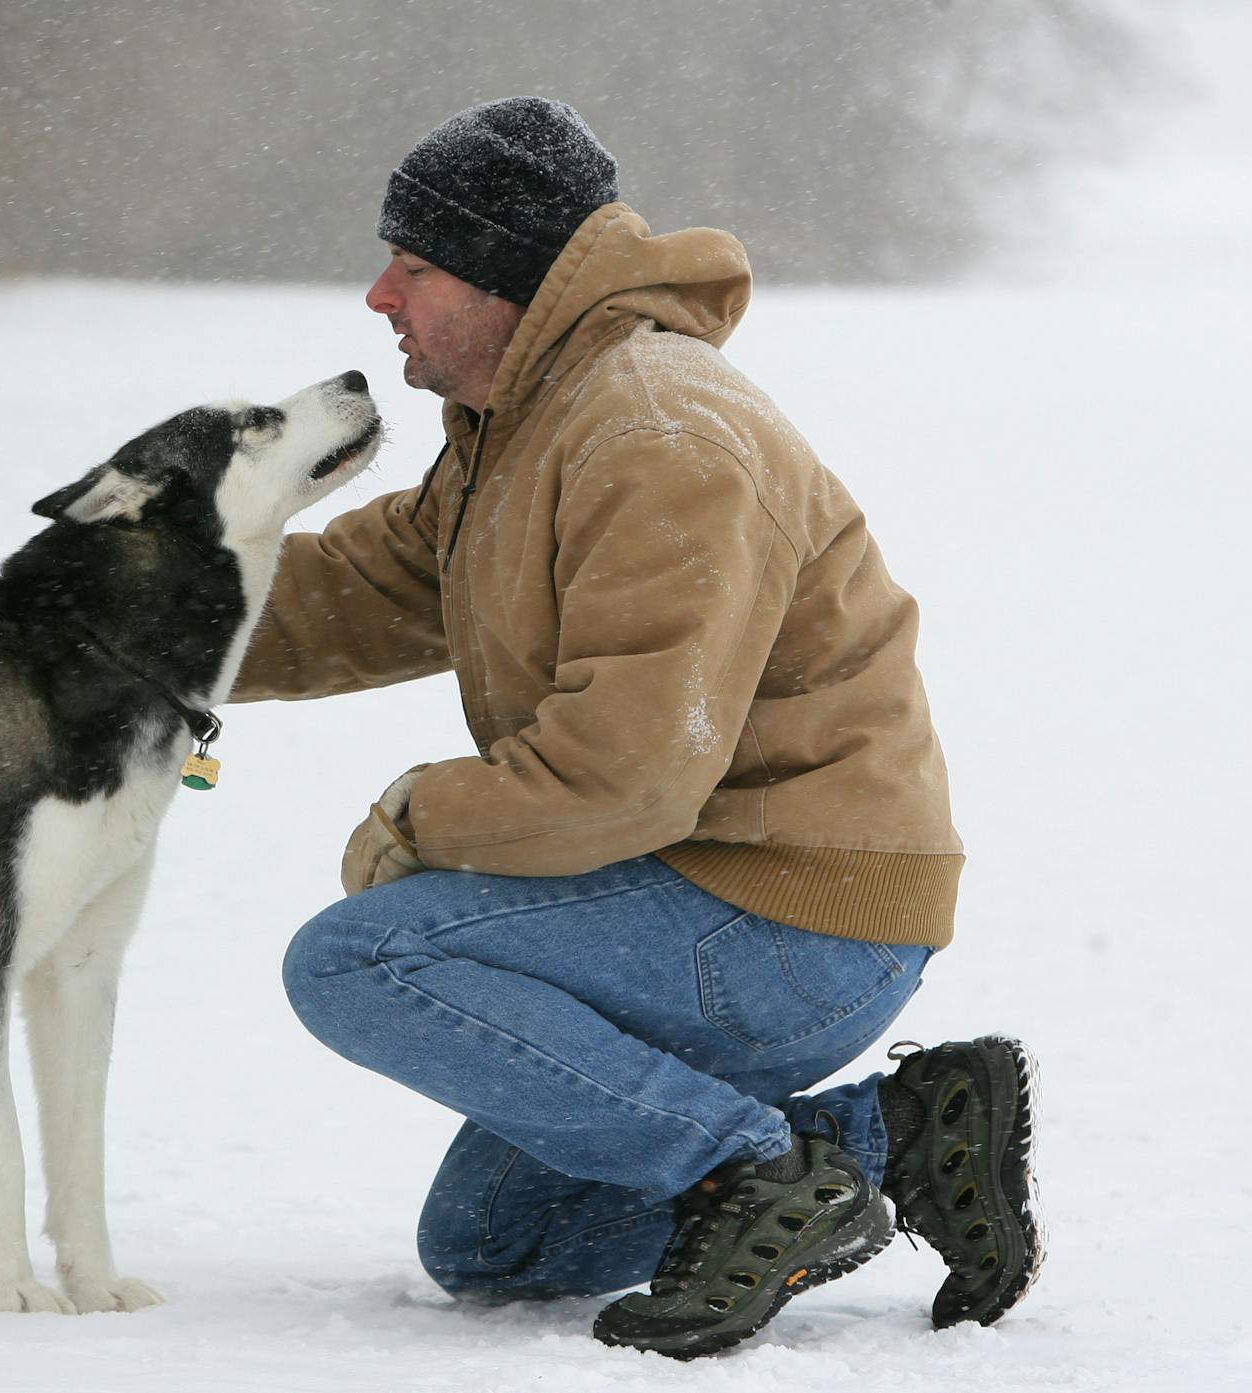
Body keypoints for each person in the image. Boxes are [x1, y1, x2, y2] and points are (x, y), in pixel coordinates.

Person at [231, 97, 1041, 1359]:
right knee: (498, 1250)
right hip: (704, 892)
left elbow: (627, 776)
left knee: (358, 959)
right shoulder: (528, 421)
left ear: (506, 278)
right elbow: (367, 586)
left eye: (419, 265)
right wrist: (123, 624)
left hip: (789, 909)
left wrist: (415, 819)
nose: (381, 295)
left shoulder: (656, 431)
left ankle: (752, 1176)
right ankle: (892, 1133)